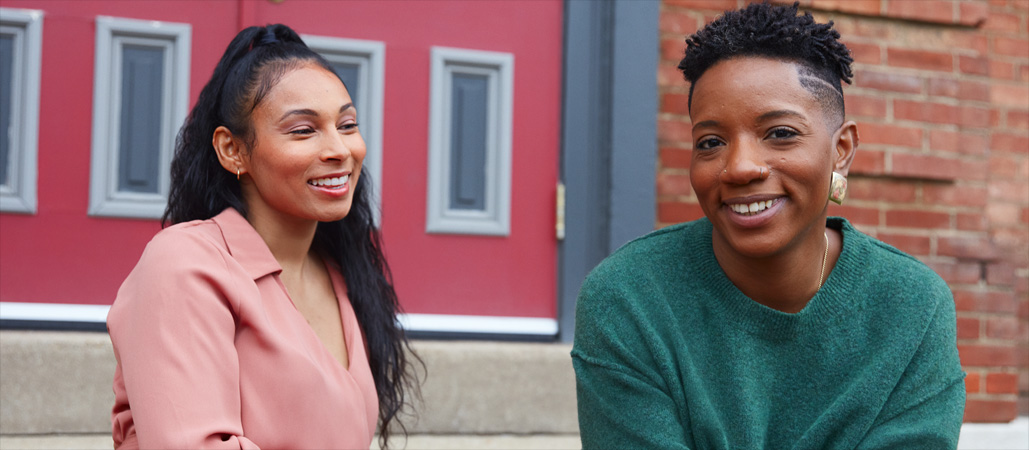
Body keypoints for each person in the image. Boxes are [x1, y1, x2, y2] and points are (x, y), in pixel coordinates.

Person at [571, 3, 965, 449]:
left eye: (780, 133)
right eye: (711, 142)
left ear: (841, 150)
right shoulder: (630, 298)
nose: (740, 167)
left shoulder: (911, 306)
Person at [107, 24, 418, 449]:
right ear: (232, 150)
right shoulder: (186, 264)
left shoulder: (340, 275)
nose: (340, 150)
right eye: (303, 130)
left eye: (347, 125)